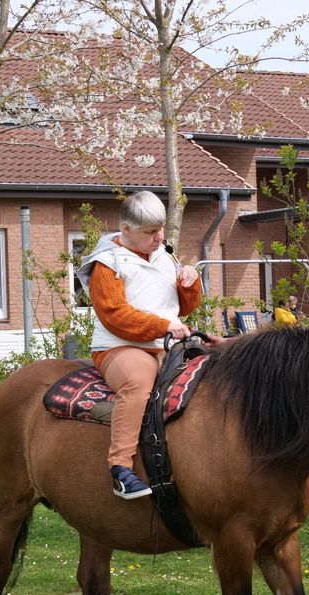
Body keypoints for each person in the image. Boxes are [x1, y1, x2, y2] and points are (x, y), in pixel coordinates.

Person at [76, 191, 202, 499]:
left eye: (161, 230)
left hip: (167, 343)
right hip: (119, 347)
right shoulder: (107, 264)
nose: (159, 237)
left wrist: (190, 283)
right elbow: (115, 316)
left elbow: (184, 309)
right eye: (151, 232)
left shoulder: (164, 256)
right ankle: (121, 469)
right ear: (127, 230)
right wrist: (163, 326)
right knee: (138, 381)